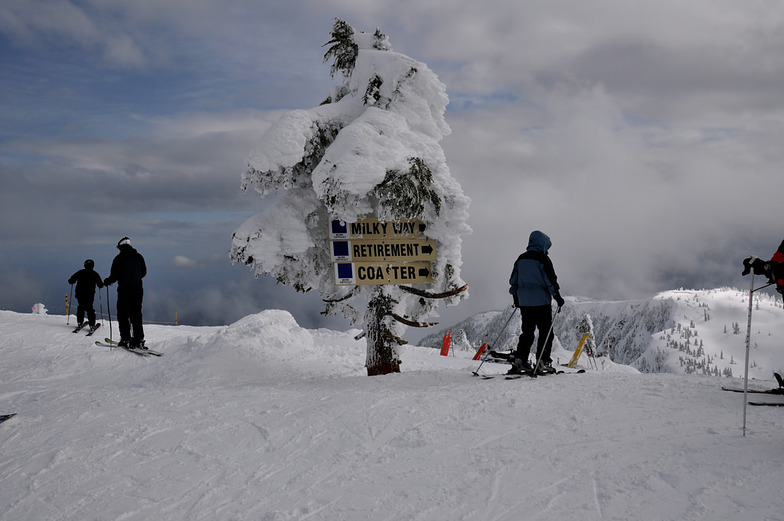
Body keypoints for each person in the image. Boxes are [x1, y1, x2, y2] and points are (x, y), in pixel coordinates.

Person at [508, 230, 565, 375]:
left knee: (527, 332)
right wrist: (557, 297)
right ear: (543, 245)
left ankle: (520, 360)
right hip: (541, 302)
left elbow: (513, 281)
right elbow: (550, 280)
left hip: (525, 303)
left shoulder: (521, 259)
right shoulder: (543, 259)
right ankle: (542, 361)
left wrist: (516, 297)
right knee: (546, 332)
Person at [103, 237, 147, 348]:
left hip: (124, 290)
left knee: (123, 314)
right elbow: (143, 273)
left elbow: (114, 276)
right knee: (136, 314)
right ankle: (139, 339)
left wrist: (107, 281)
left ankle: (126, 339)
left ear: (121, 247)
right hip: (137, 289)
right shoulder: (139, 257)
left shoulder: (118, 258)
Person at [67, 259, 104, 332]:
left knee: (81, 307)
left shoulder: (80, 272)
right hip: (89, 294)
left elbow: (71, 281)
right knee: (90, 308)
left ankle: (80, 323)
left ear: (84, 265)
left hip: (79, 293)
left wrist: (73, 281)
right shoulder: (95, 274)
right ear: (93, 266)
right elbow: (100, 285)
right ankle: (92, 325)